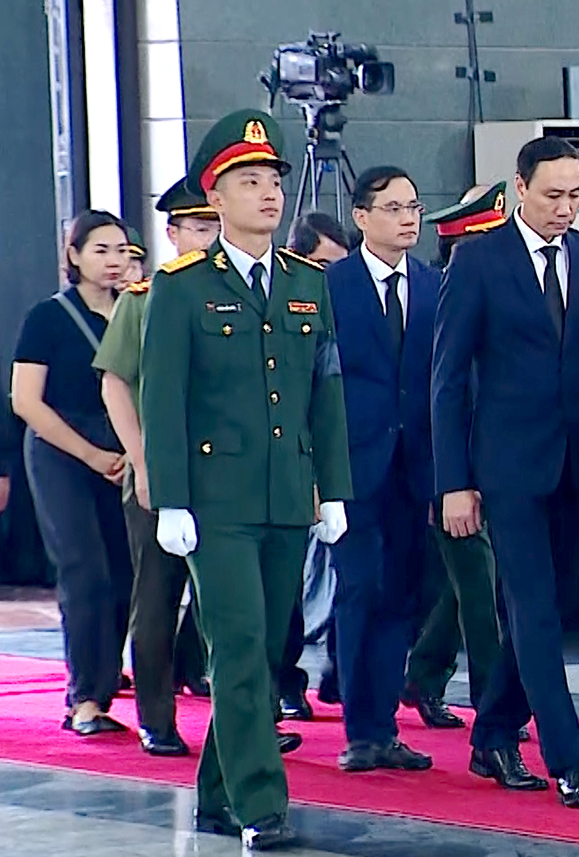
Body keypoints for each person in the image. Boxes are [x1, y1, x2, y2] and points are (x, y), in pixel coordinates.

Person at [140, 109, 353, 850]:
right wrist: (169, 496)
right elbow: (161, 397)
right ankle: (263, 803)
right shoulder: (182, 287)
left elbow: (325, 392)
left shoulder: (306, 283)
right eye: (249, 181)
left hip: (287, 496)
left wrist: (334, 488)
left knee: (264, 653)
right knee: (235, 643)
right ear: (216, 198)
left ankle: (216, 793)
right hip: (216, 500)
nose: (267, 194)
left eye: (272, 181)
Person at [433, 136, 579, 808]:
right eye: (553, 194)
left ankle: (493, 727)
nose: (565, 208)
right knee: (533, 606)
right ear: (518, 189)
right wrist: (453, 480)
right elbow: (446, 381)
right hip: (506, 466)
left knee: (566, 602)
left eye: (577, 195)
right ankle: (567, 756)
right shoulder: (478, 260)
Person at [93, 179, 220, 757]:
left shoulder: (243, 292)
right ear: (172, 234)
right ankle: (157, 717)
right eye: (196, 227)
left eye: (213, 225)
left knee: (231, 599)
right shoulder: (144, 298)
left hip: (227, 471)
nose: (208, 236)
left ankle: (241, 721)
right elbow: (115, 382)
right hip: (161, 470)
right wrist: (142, 462)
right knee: (158, 595)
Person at [324, 165, 437, 774]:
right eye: (393, 207)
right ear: (363, 217)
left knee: (401, 594)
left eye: (413, 206)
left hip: (412, 467)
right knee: (359, 587)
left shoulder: (431, 283)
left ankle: (384, 725)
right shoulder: (330, 285)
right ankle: (358, 727)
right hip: (350, 464)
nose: (408, 217)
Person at [11, 210, 133, 735]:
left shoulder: (137, 310)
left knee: (127, 574)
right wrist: (90, 454)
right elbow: (26, 402)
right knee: (85, 571)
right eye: (101, 249)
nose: (114, 260)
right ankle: (84, 700)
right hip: (61, 450)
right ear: (74, 255)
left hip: (124, 449)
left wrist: (132, 451)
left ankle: (107, 680)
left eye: (122, 250)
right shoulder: (48, 317)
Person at [402, 182, 509, 729]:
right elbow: (440, 397)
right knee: (477, 584)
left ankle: (423, 672)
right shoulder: (445, 301)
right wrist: (445, 481)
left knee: (473, 582)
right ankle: (496, 709)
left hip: (492, 466)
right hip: (452, 474)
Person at [277, 210, 351, 721]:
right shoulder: (279, 303)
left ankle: (338, 672)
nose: (331, 279)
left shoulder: (344, 307)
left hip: (332, 459)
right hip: (280, 461)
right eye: (321, 265)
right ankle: (284, 680)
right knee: (285, 583)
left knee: (340, 574)